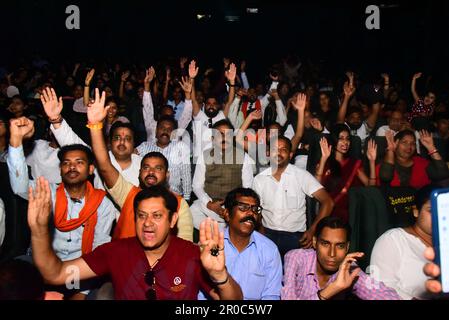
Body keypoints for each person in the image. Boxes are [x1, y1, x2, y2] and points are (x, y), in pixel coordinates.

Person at [27, 177, 243, 300]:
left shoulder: (192, 254)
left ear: (173, 219)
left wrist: (219, 275)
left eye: (157, 216)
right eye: (141, 216)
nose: (147, 223)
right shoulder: (115, 252)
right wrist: (39, 231)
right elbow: (55, 274)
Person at [86, 89, 193, 241]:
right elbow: (104, 165)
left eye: (158, 168)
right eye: (146, 167)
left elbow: (185, 247)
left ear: (167, 175)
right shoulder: (129, 195)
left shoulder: (179, 204)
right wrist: (96, 125)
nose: (151, 172)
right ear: (139, 172)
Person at [40, 87, 142, 187]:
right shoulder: (99, 158)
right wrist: (56, 119)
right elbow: (72, 142)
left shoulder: (143, 163)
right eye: (117, 138)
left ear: (134, 143)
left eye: (127, 138)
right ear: (110, 142)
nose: (122, 141)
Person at [281, 216, 401, 300]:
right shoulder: (296, 258)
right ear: (314, 242)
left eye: (340, 246)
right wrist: (332, 289)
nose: (332, 253)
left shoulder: (349, 269)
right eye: (325, 244)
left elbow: (379, 293)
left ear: (347, 247)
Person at [252, 136, 334, 258]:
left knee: (295, 276)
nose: (278, 153)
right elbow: (255, 209)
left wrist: (313, 230)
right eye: (275, 149)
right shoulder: (259, 179)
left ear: (290, 155)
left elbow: (328, 202)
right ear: (268, 153)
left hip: (296, 238)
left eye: (283, 149)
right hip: (267, 235)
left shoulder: (301, 175)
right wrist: (260, 233)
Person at [199, 188, 282, 300]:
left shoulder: (269, 250)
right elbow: (201, 293)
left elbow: (271, 296)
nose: (251, 213)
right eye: (243, 207)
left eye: (255, 209)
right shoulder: (211, 246)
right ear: (227, 214)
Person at [370, 185, 436, 299]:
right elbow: (379, 291)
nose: (438, 216)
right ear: (416, 211)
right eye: (431, 210)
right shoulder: (394, 240)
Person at [191, 119, 254, 231]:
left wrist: (232, 207)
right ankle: (216, 232)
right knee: (191, 212)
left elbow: (247, 189)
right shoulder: (204, 156)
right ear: (213, 139)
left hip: (233, 207)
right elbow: (196, 186)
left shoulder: (243, 157)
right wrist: (210, 204)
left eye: (228, 134)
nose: (224, 137)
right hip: (209, 205)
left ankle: (221, 231)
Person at [136, 76, 192, 200]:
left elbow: (187, 116)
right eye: (162, 127)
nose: (166, 131)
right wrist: (146, 87)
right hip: (148, 195)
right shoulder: (146, 146)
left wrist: (188, 95)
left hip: (173, 196)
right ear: (156, 129)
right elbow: (147, 109)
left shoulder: (178, 144)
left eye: (169, 128)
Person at [315, 124, 377, 222]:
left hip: (351, 211)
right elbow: (316, 186)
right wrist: (323, 159)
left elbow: (371, 188)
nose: (345, 142)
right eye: (341, 138)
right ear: (334, 140)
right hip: (328, 212)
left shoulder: (354, 164)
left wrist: (372, 162)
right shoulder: (325, 163)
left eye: (348, 139)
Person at [377, 129, 449, 188]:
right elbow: (385, 177)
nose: (409, 146)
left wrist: (431, 148)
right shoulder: (385, 162)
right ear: (395, 144)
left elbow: (443, 174)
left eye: (413, 143)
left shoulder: (421, 163)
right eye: (404, 142)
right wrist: (390, 149)